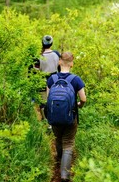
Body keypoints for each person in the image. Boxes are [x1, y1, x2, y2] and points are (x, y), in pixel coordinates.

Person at [46, 52, 86, 182]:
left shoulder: (51, 79)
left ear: (59, 62)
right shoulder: (76, 80)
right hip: (70, 118)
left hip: (54, 117)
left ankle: (59, 158)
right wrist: (78, 105)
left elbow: (48, 100)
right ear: (72, 64)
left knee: (58, 138)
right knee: (68, 143)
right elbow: (83, 99)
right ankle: (64, 175)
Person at [36, 35, 60, 120]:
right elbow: (59, 69)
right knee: (54, 100)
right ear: (51, 43)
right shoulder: (56, 54)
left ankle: (46, 121)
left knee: (44, 102)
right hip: (55, 80)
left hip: (43, 81)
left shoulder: (38, 57)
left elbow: (36, 72)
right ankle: (55, 118)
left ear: (42, 43)